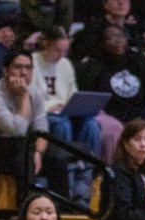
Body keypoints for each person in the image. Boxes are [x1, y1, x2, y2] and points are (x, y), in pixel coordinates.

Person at [0, 49, 71, 202]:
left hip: (19, 149)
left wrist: (39, 152)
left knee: (57, 156)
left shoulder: (35, 93)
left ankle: (64, 210)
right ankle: (26, 205)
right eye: (18, 67)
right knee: (22, 146)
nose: (23, 73)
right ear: (5, 71)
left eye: (28, 68)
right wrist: (23, 97)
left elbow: (41, 129)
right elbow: (17, 131)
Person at [31, 27, 102, 203]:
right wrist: (51, 106)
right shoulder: (32, 62)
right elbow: (30, 96)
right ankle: (65, 180)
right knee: (61, 124)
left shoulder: (66, 64)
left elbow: (72, 93)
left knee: (92, 124)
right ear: (46, 44)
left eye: (65, 50)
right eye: (58, 49)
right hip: (44, 113)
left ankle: (86, 179)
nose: (62, 55)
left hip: (65, 111)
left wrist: (71, 104)